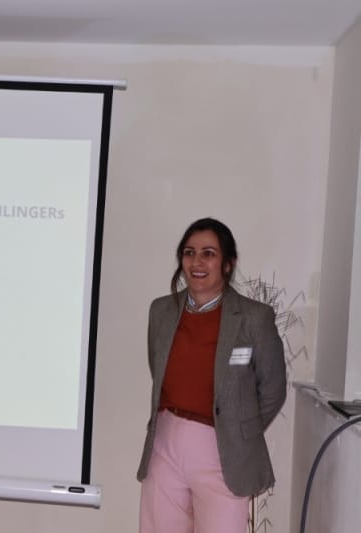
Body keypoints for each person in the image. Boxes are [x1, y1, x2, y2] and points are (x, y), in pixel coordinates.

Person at [136, 217, 286, 533]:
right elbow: (157, 367)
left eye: (209, 254)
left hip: (223, 449)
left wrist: (237, 430)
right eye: (189, 253)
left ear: (228, 264)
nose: (197, 262)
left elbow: (273, 390)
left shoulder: (254, 318)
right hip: (166, 440)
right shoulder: (161, 311)